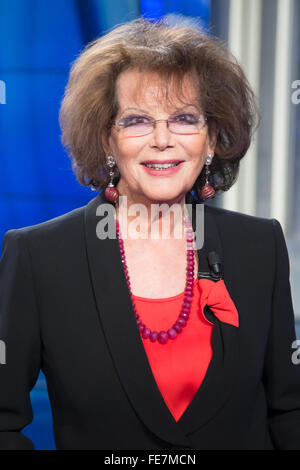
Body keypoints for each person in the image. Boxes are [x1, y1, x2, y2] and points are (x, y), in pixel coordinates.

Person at [0, 17, 299, 451]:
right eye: (137, 120)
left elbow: (288, 411)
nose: (162, 139)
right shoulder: (38, 256)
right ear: (106, 139)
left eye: (184, 118)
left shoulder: (259, 247)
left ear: (211, 138)